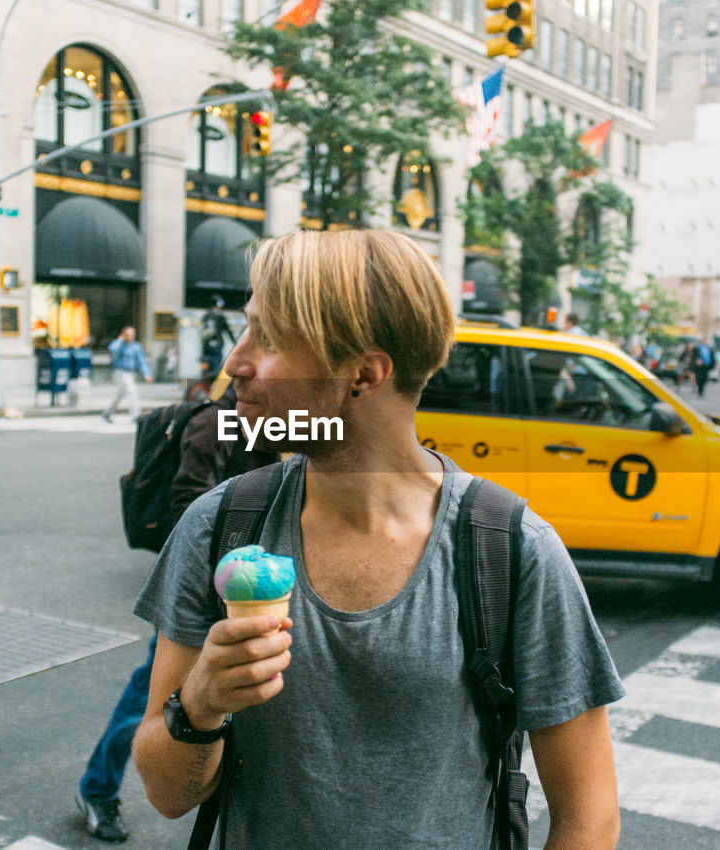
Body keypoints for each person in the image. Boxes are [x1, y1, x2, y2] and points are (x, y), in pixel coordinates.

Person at [131, 230, 623, 848]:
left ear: (364, 375)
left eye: (271, 337)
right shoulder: (218, 525)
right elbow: (166, 795)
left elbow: (589, 819)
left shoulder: (510, 550)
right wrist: (200, 700)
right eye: (245, 328)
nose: (236, 362)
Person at [76, 375, 277, 843]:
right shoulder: (213, 425)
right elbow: (190, 503)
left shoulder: (261, 429)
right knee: (154, 702)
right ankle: (97, 788)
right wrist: (226, 564)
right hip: (209, 593)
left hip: (241, 587)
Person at [102, 326, 152, 423]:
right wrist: (120, 340)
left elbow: (141, 361)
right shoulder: (119, 345)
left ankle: (107, 413)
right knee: (132, 391)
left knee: (119, 395)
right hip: (120, 373)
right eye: (127, 335)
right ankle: (136, 415)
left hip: (130, 373)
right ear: (123, 335)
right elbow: (112, 348)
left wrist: (147, 374)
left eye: (132, 335)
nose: (130, 337)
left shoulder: (136, 346)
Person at [200, 297, 237, 381]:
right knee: (216, 362)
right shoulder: (220, 316)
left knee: (206, 361)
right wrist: (234, 342)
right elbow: (228, 330)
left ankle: (205, 379)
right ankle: (214, 380)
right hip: (217, 343)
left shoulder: (205, 316)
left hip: (206, 344)